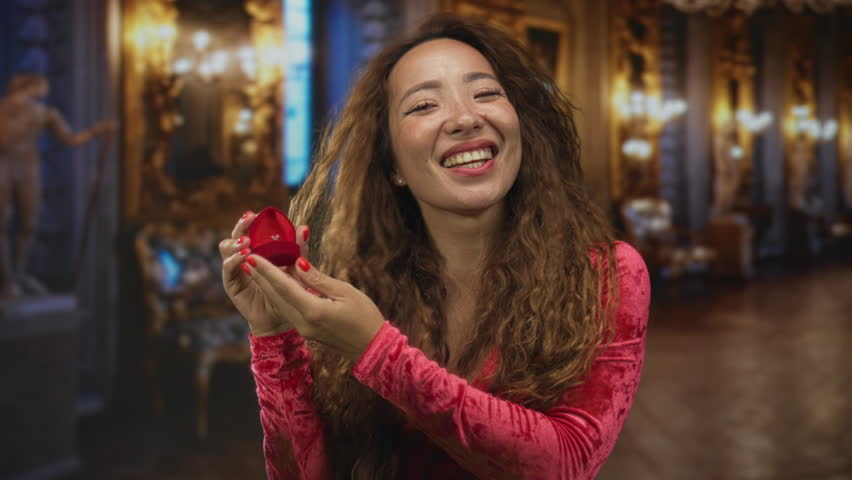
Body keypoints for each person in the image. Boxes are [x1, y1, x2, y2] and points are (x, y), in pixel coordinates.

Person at [219, 14, 649, 480]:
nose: (466, 118)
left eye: (486, 93)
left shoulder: (607, 276)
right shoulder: (355, 284)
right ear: (393, 165)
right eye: (424, 105)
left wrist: (377, 351)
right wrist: (273, 335)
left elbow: (564, 464)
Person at [0, 73, 113, 299]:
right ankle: (7, 279)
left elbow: (70, 139)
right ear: (32, 85)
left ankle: (19, 273)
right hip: (3, 165)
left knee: (29, 223)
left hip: (28, 168)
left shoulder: (46, 114)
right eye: (43, 86)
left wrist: (97, 131)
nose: (45, 91)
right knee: (2, 222)